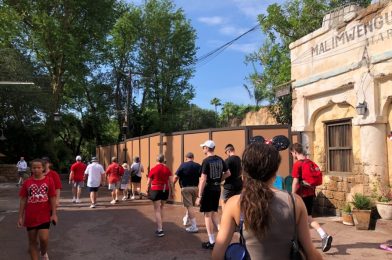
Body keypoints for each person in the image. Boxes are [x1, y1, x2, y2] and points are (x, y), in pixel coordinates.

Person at [212, 143, 323, 260]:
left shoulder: (235, 203)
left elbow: (217, 255)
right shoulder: (295, 202)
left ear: (245, 171)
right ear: (275, 172)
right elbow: (311, 254)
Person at [291, 142, 333, 252]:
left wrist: (292, 196)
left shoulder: (298, 164)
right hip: (310, 195)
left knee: (295, 218)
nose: (292, 156)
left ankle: (297, 242)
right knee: (307, 218)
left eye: (292, 154)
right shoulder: (310, 162)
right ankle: (323, 235)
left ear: (295, 152)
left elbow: (295, 182)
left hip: (300, 196)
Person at [17, 159, 58, 260]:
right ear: (31, 169)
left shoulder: (49, 180)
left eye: (39, 167)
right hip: (31, 216)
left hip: (44, 215)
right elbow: (23, 200)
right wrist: (20, 217)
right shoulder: (27, 182)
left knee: (44, 239)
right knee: (32, 242)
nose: (36, 170)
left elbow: (52, 197)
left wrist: (54, 214)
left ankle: (43, 252)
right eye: (34, 168)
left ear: (43, 168)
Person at [196, 140, 230, 249]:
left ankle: (211, 242)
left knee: (207, 215)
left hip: (209, 189)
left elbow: (203, 179)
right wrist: (219, 180)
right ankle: (222, 237)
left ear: (207, 148)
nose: (203, 149)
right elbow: (228, 173)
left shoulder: (206, 161)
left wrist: (199, 196)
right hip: (217, 188)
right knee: (214, 213)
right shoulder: (220, 159)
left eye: (203, 147)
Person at [146, 154, 174, 237]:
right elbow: (171, 182)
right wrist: (172, 192)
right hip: (165, 189)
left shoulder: (153, 169)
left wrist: (147, 190)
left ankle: (160, 229)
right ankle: (161, 224)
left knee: (157, 209)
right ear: (163, 160)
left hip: (155, 190)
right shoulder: (167, 169)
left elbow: (149, 182)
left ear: (157, 160)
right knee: (162, 207)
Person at [173, 152, 201, 233]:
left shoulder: (183, 165)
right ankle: (187, 219)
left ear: (186, 158)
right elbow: (202, 176)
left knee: (189, 207)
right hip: (195, 188)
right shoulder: (197, 165)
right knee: (191, 206)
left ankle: (194, 226)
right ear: (193, 157)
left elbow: (175, 177)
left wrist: (173, 185)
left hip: (186, 188)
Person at [221, 144, 243, 208]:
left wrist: (220, 180)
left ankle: (225, 217)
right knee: (238, 204)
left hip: (229, 186)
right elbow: (242, 172)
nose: (226, 154)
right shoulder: (239, 159)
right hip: (239, 185)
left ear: (229, 151)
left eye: (226, 152)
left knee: (223, 202)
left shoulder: (228, 160)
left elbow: (227, 173)